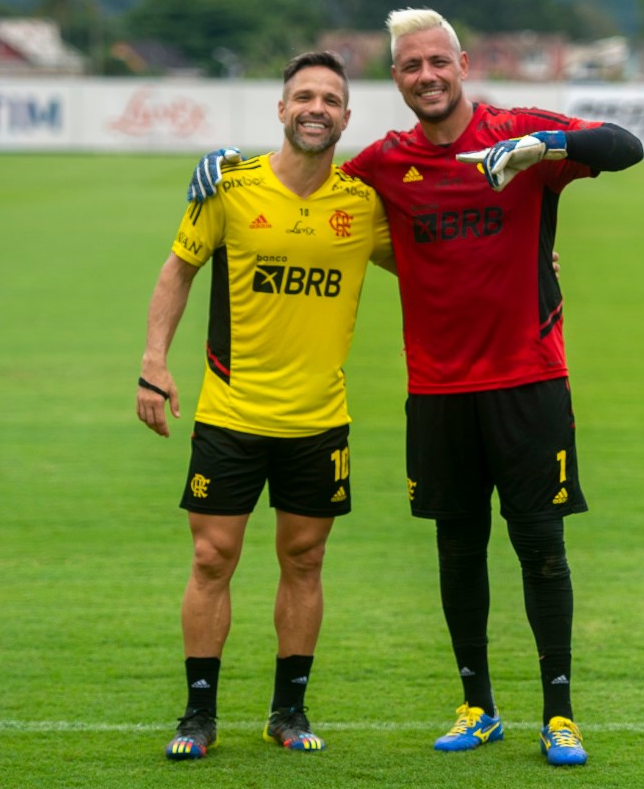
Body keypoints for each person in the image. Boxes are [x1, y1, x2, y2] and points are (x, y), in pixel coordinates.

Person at [187, 8, 643, 767]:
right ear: (396, 78)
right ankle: (478, 704)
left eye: (438, 62)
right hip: (437, 390)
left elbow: (625, 146)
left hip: (530, 378)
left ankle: (559, 714)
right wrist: (220, 162)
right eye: (410, 67)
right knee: (457, 549)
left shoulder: (518, 129)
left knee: (542, 548)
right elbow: (307, 181)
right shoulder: (383, 164)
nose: (426, 76)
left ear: (461, 62)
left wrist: (543, 147)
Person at [137, 50, 393, 761]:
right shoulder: (229, 187)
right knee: (212, 558)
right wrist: (153, 364)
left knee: (304, 560)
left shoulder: (362, 202)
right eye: (303, 96)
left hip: (318, 420)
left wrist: (530, 255)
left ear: (347, 116)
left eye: (330, 99)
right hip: (231, 414)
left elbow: (442, 262)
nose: (317, 107)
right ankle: (197, 715)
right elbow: (177, 271)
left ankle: (289, 709)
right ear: (281, 110)